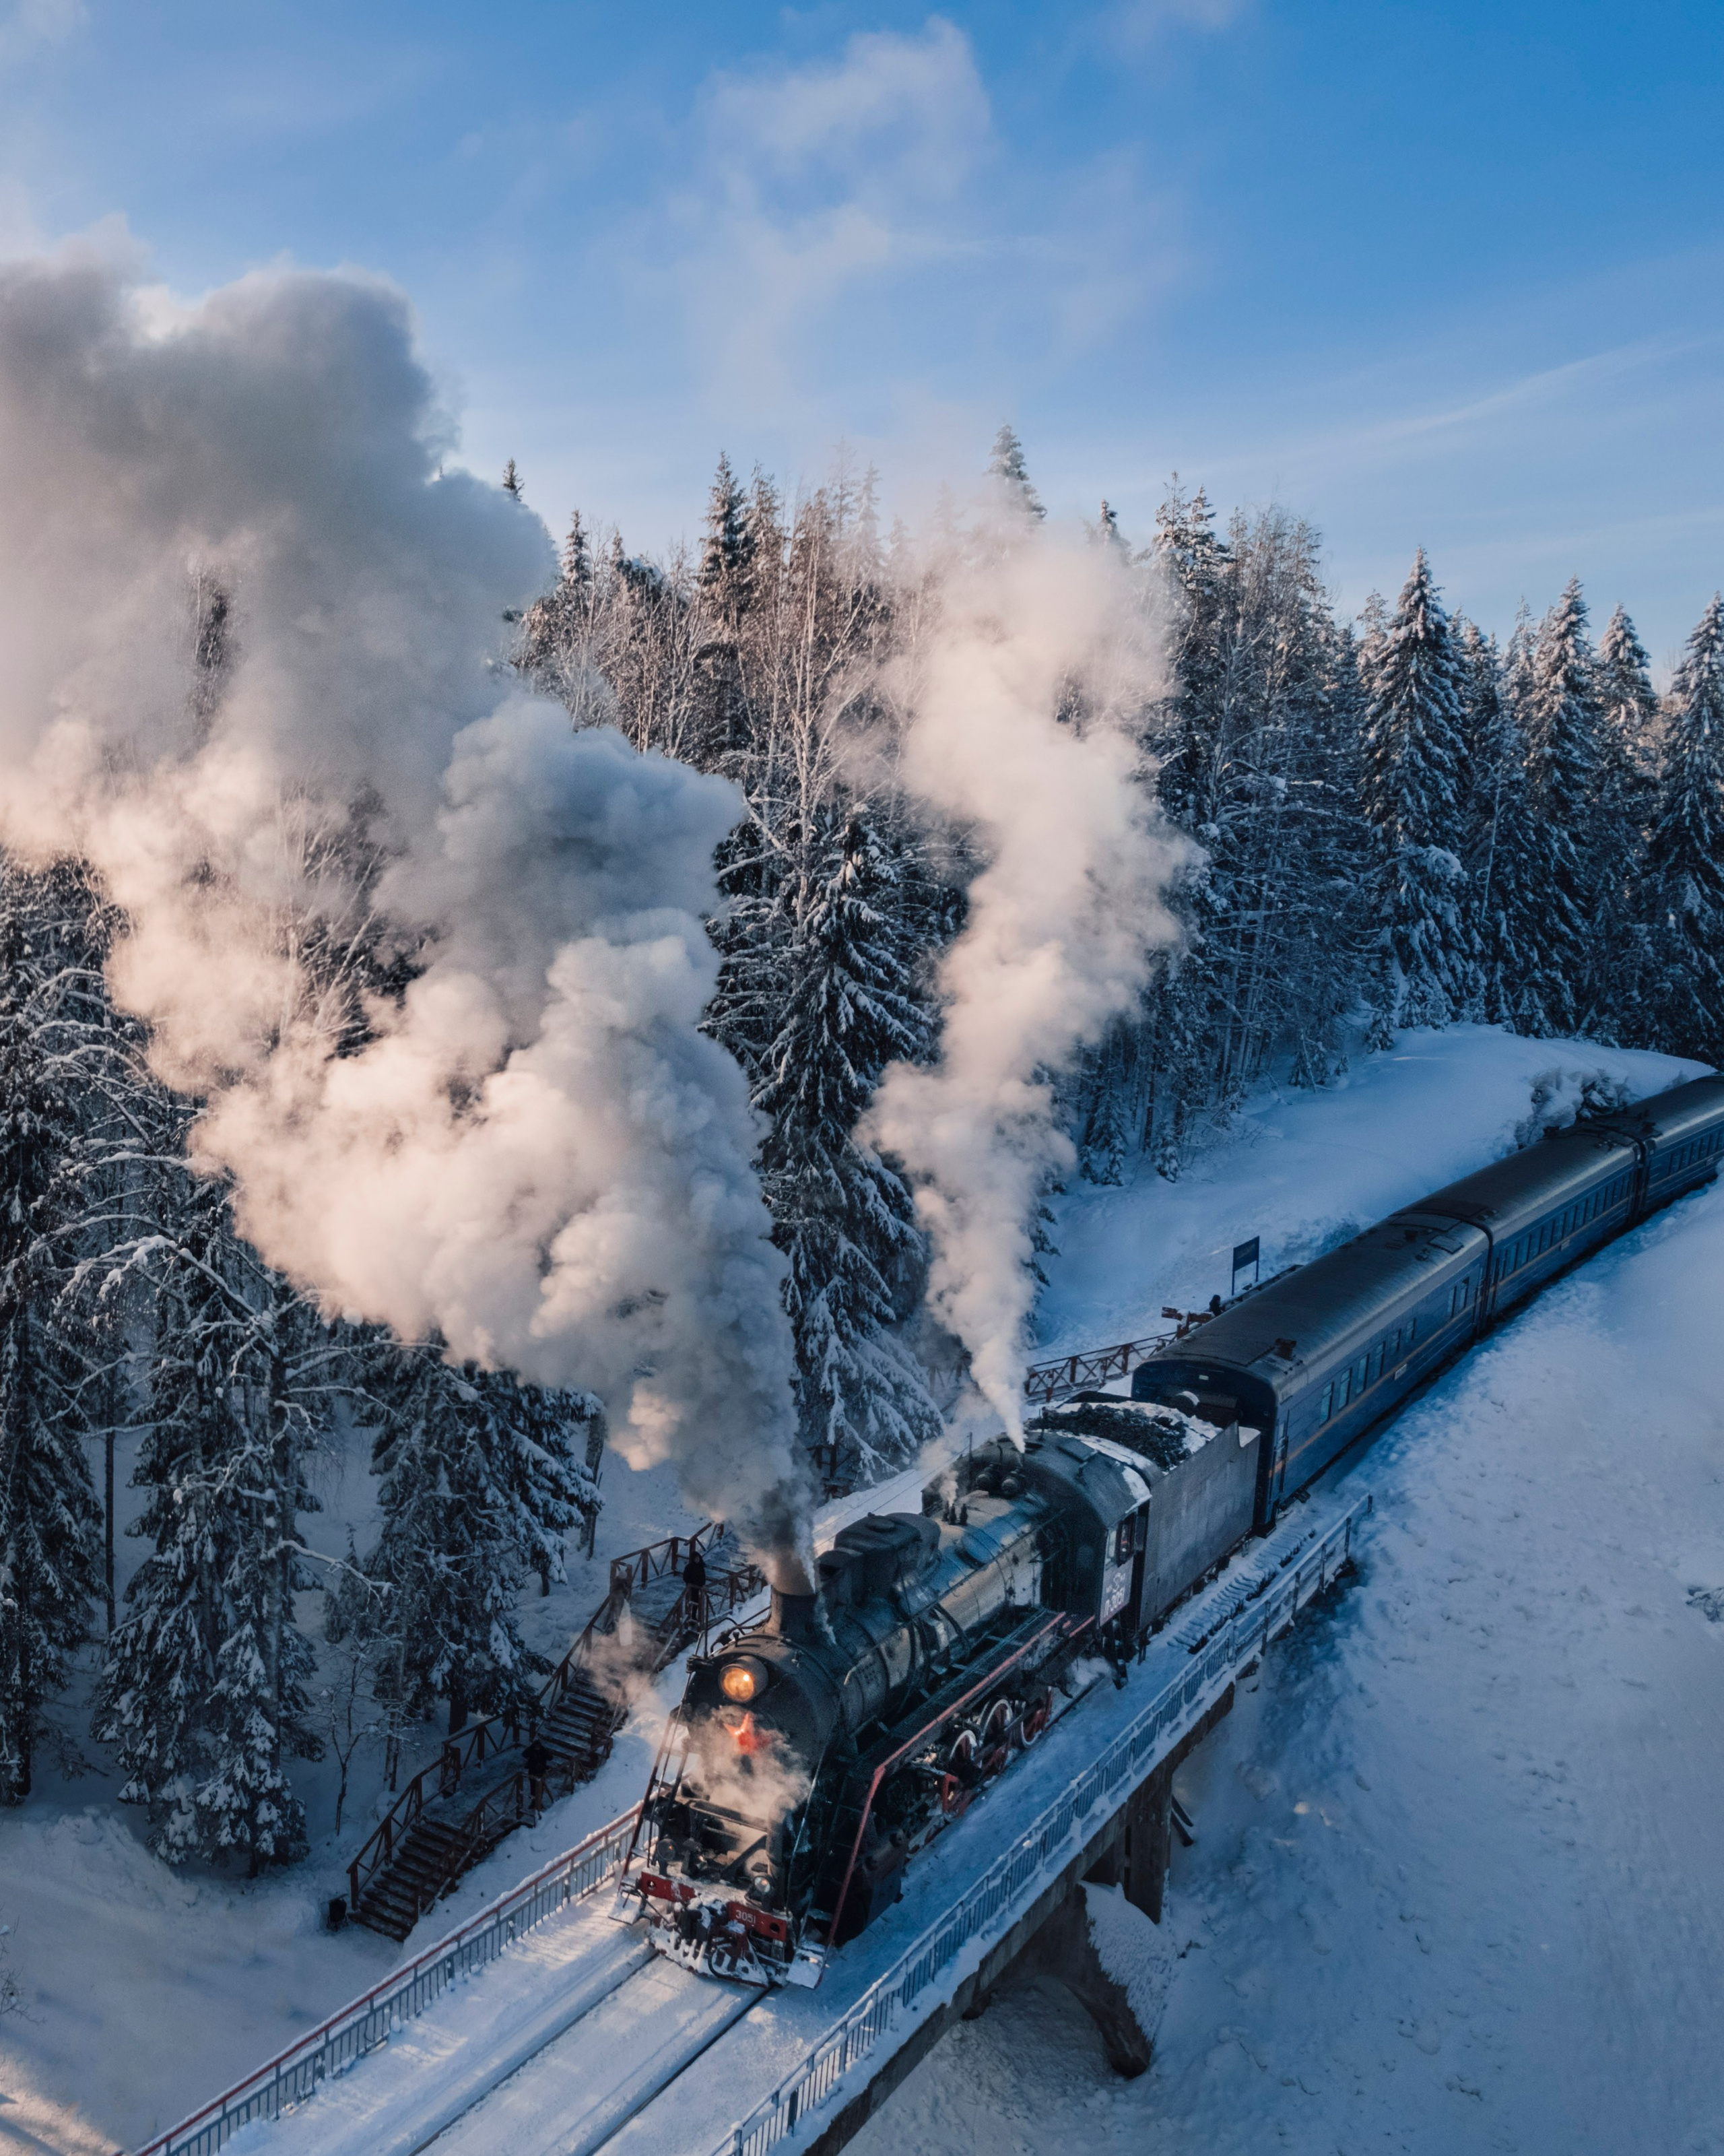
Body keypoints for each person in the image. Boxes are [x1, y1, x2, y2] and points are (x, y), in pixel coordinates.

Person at [682, 1544, 708, 1631]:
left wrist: (703, 1585)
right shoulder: (689, 1567)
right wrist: (690, 1583)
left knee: (697, 1602)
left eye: (698, 1558)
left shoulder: (701, 1566)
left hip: (699, 1587)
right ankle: (689, 1618)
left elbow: (703, 1576)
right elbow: (685, 1577)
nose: (697, 1560)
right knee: (691, 1602)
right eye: (696, 1559)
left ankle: (693, 1617)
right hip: (692, 1588)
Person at [524, 1734, 552, 1818]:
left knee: (540, 1789)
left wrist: (543, 1750)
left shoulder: (543, 1751)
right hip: (533, 1772)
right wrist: (531, 1748)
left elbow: (551, 1758)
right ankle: (533, 1802)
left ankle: (539, 1803)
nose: (537, 1748)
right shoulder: (531, 1751)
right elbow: (524, 1754)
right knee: (533, 1788)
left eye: (538, 1747)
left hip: (540, 1773)